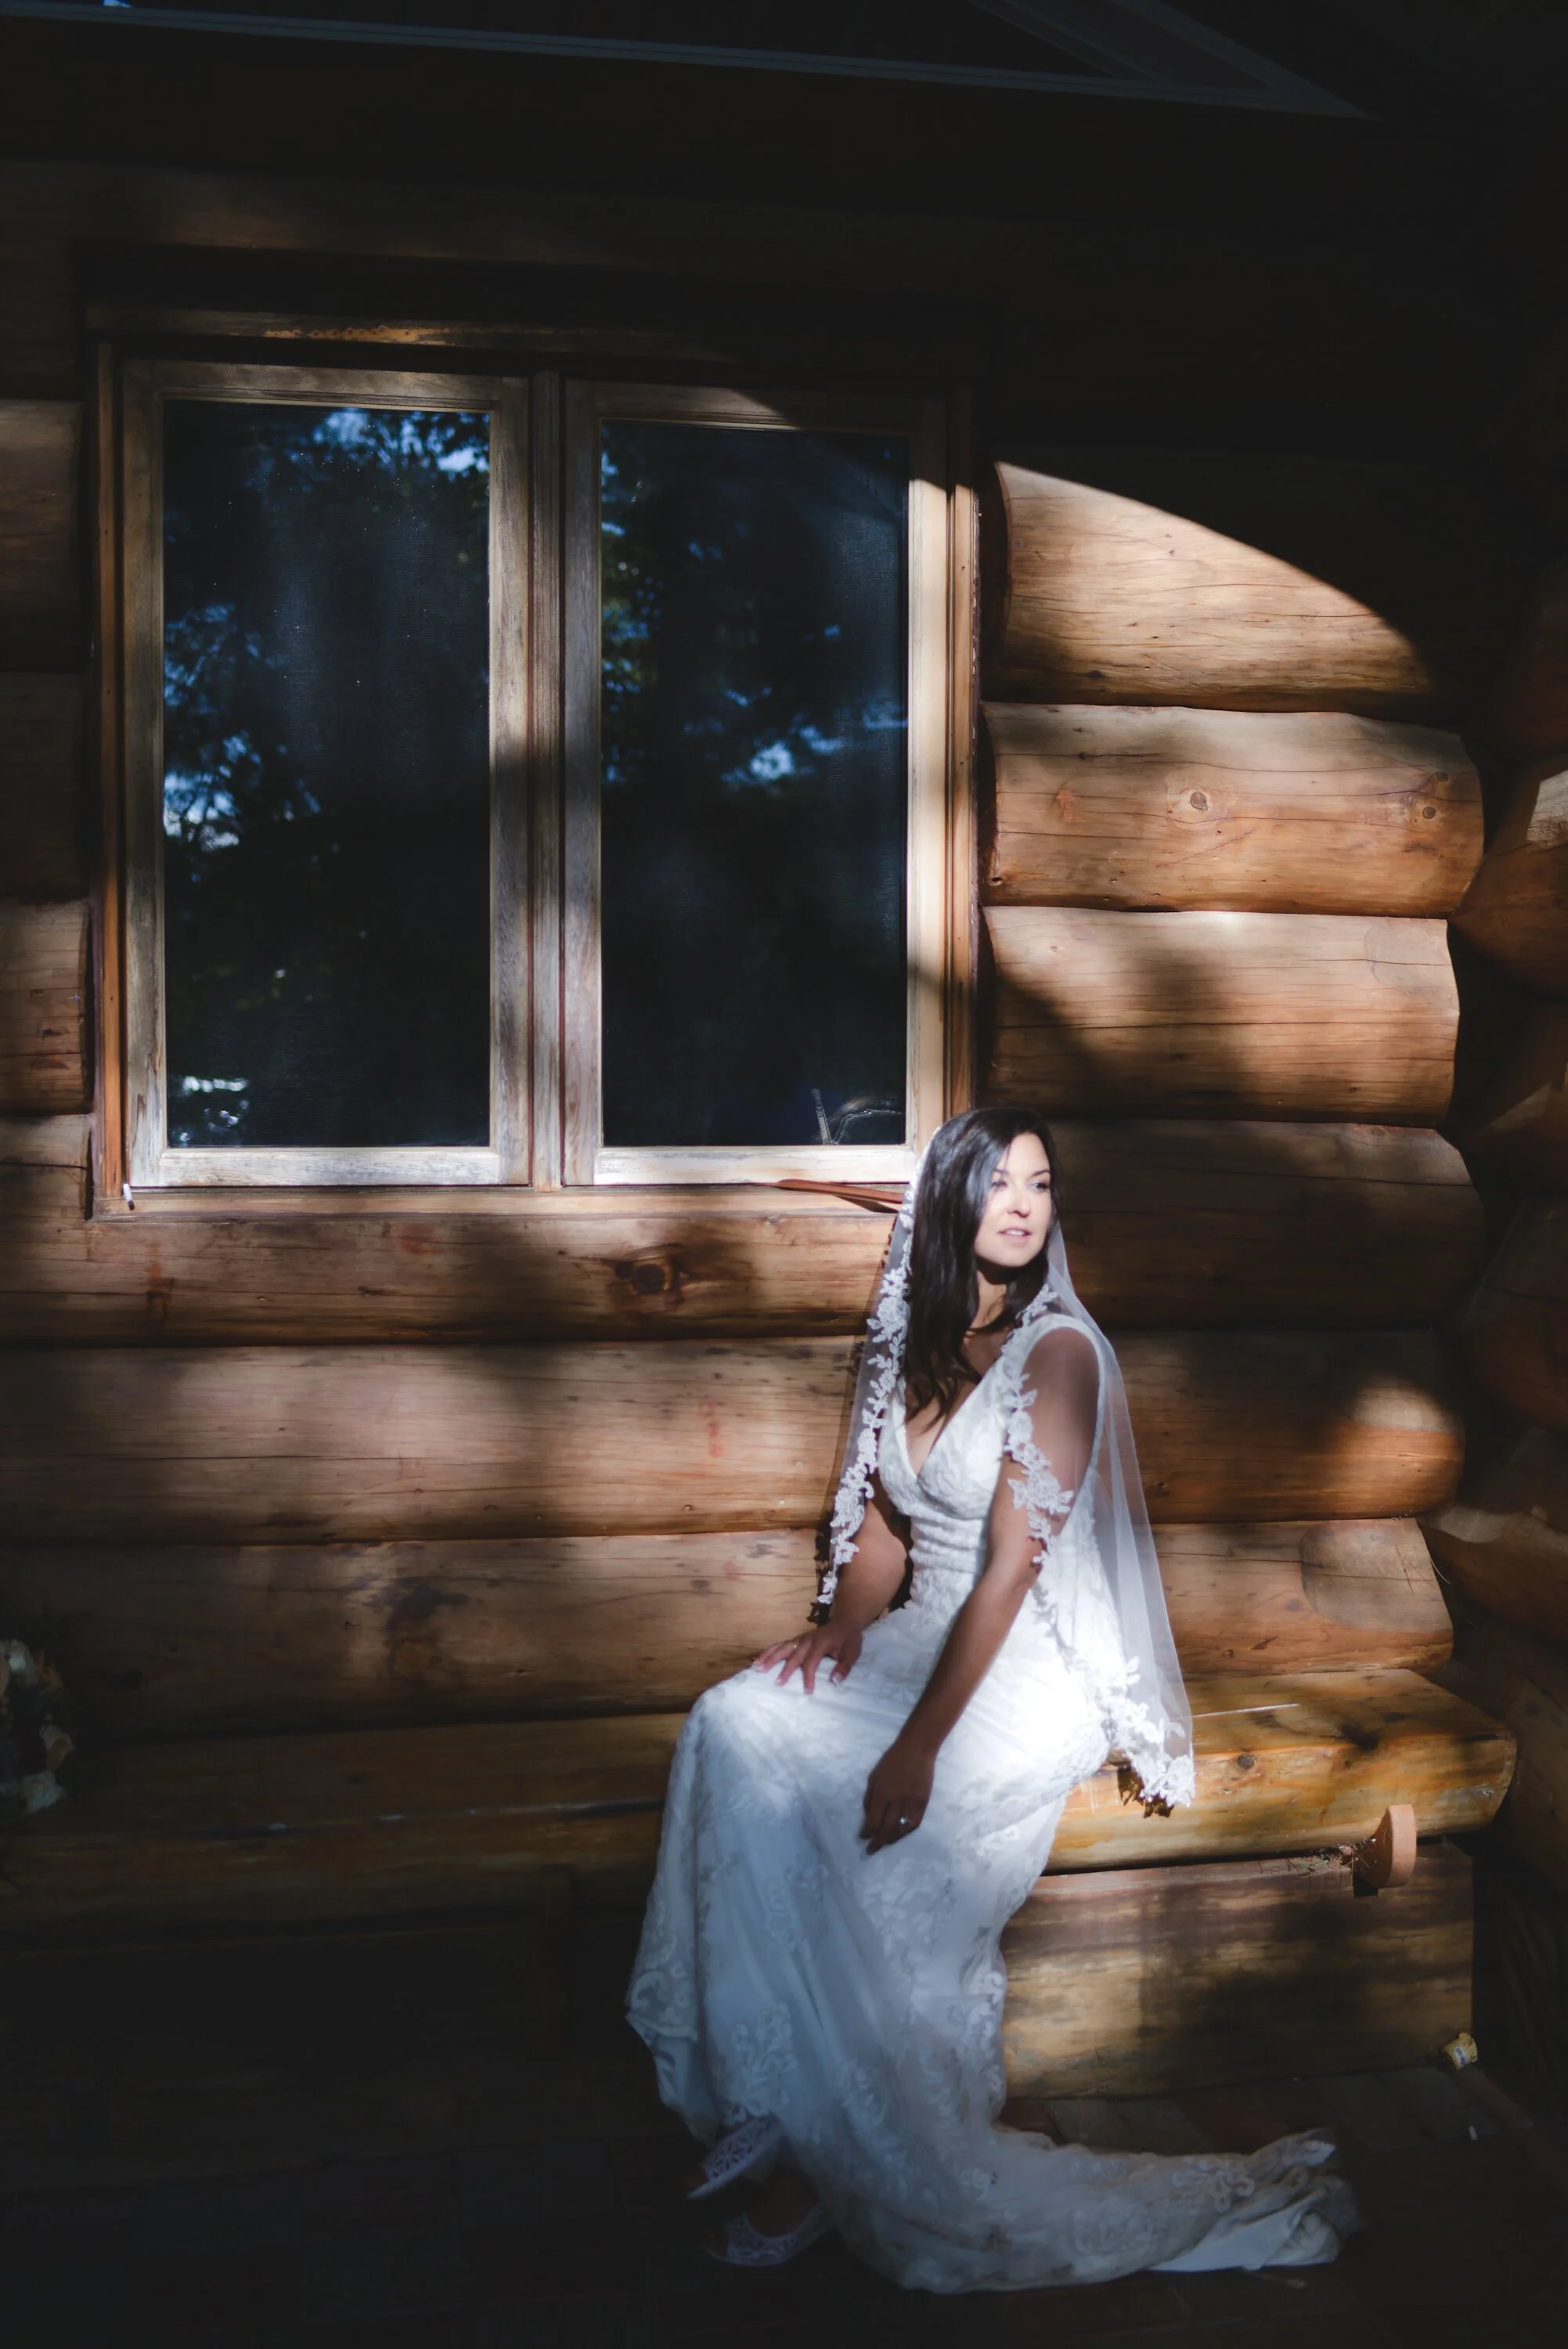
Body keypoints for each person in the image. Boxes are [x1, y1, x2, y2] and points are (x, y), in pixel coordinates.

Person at [628, 1108, 1357, 2289]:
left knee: (862, 1815)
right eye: (997, 1181)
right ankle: (772, 2101)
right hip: (920, 1635)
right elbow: (879, 1533)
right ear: (949, 1201)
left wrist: (916, 1747)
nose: (1021, 1203)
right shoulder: (907, 1341)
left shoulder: (1058, 1356)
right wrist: (838, 1634)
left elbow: (1010, 1578)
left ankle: (817, 2162)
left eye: (1042, 1184)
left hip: (1019, 1666)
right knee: (735, 1722)